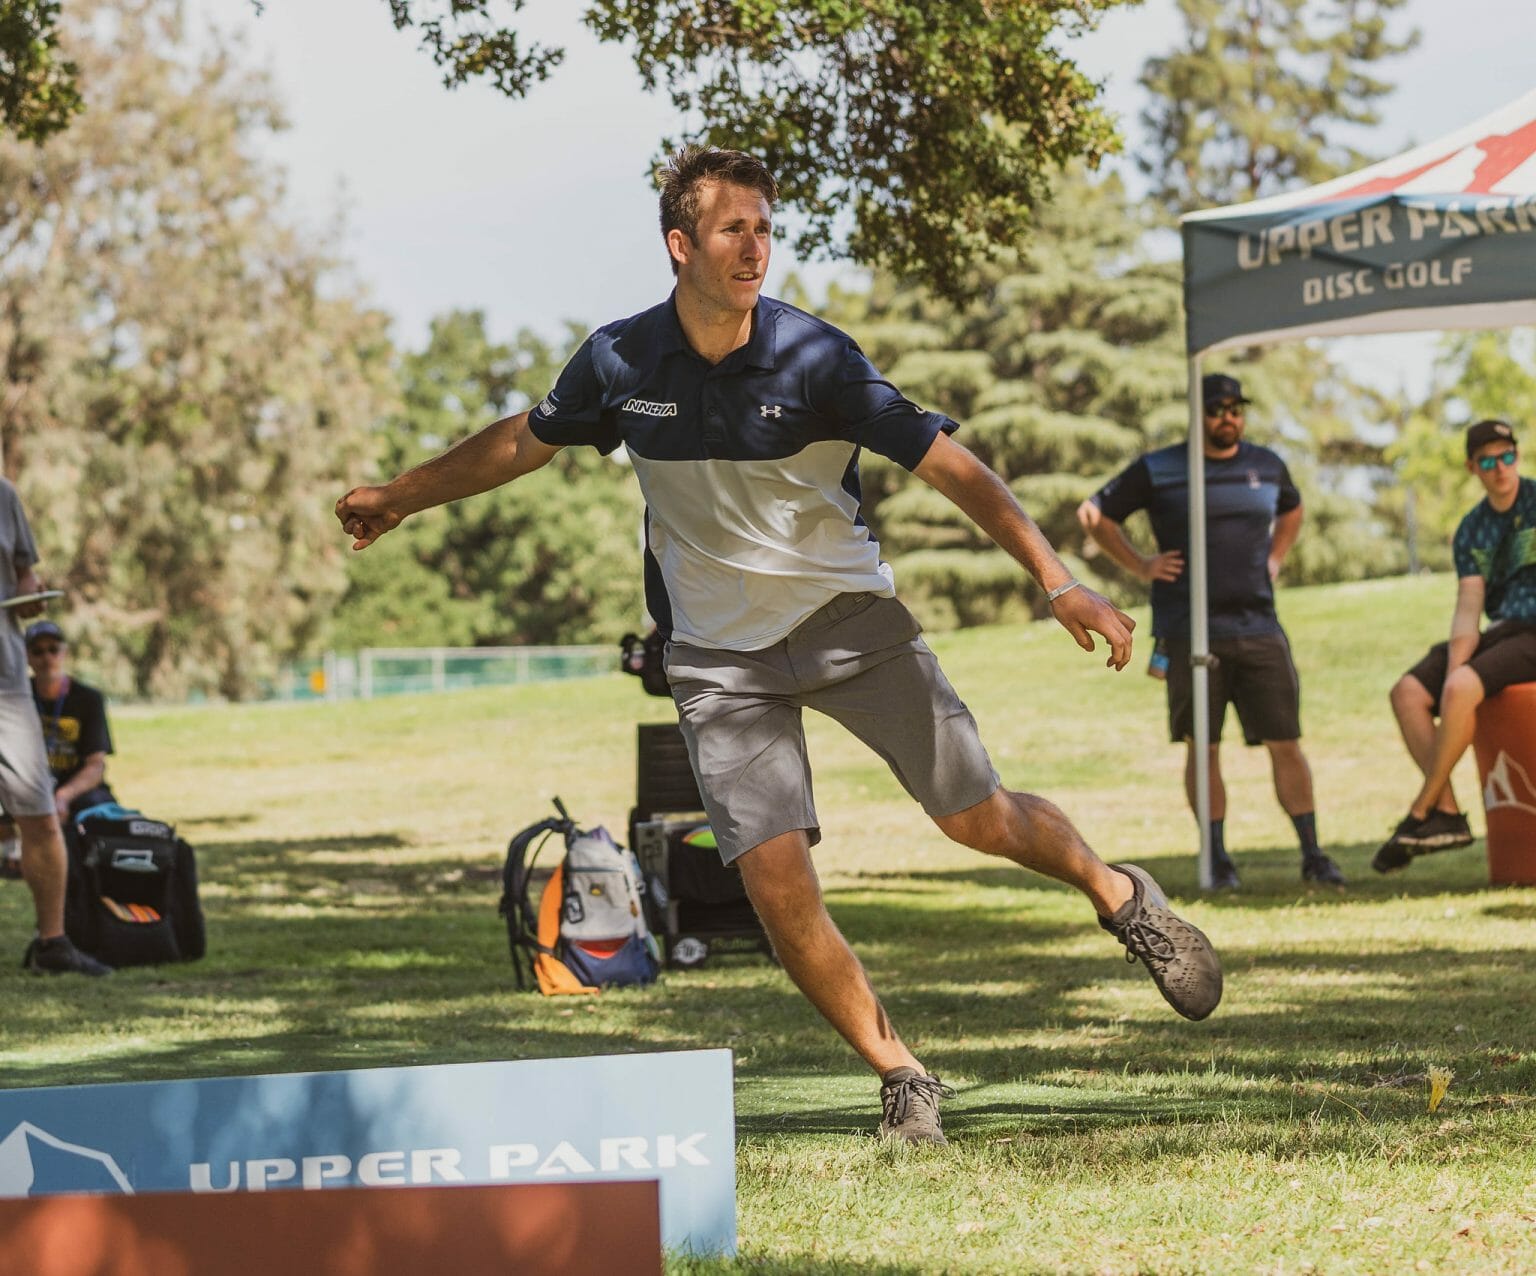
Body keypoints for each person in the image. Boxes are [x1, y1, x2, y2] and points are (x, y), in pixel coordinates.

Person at [336, 146, 1221, 1144]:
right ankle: (902, 1074)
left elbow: (954, 468)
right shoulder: (620, 361)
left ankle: (1120, 896)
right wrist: (400, 495)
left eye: (763, 227)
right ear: (681, 245)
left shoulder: (818, 360)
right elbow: (521, 443)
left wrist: (1056, 577)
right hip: (718, 659)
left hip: (849, 622)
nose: (754, 246)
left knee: (979, 817)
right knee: (774, 880)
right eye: (731, 229)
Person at [1077, 372, 1345, 891]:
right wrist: (1140, 565)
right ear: (1198, 414)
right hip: (1188, 631)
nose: (1229, 417)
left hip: (1260, 625)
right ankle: (1218, 859)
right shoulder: (1161, 467)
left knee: (1286, 741)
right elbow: (1094, 513)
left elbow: (1292, 509)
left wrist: (1276, 558)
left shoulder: (1267, 465)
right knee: (1204, 745)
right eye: (1218, 408)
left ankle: (1313, 854)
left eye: (1237, 408)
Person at [1374, 418, 1536, 871]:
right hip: (1503, 629)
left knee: (1463, 686)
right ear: (1473, 468)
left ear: (1517, 456)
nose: (1501, 467)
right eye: (1489, 460)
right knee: (1408, 692)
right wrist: (1453, 672)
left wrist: (1460, 681)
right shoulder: (1472, 529)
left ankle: (1419, 812)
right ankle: (1446, 811)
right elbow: (1470, 604)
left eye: (1508, 456)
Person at [0, 480, 110, 974]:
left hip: (5, 683)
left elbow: (24, 578)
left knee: (41, 814)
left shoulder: (4, 497)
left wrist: (30, 599)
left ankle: (53, 946)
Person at [25, 619, 118, 820]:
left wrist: (63, 796)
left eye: (53, 649)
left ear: (64, 652)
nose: (47, 657)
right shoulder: (19, 697)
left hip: (77, 788)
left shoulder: (88, 698)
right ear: (27, 657)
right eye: (38, 651)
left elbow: (96, 765)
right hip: (30, 788)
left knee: (101, 816)